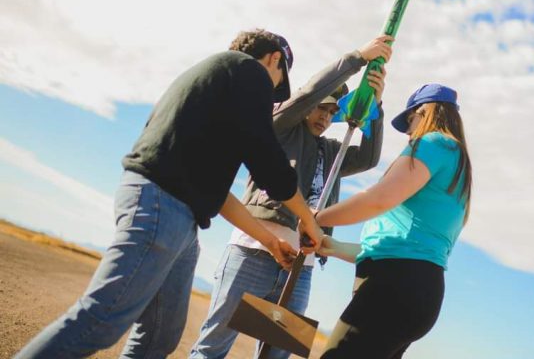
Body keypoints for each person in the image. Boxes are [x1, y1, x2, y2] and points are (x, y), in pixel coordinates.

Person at [16, 29, 324, 359]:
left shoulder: (213, 89)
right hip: (163, 203)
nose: (272, 95)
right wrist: (307, 218)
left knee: (160, 335)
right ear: (274, 58)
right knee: (102, 319)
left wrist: (268, 240)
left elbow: (218, 195)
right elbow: (267, 161)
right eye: (277, 83)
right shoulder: (248, 70)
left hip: (178, 214)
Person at [190, 35, 392, 359]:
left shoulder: (332, 152)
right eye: (321, 107)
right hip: (252, 252)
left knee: (277, 355)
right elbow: (308, 93)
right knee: (213, 347)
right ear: (307, 106)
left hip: (302, 267)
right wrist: (356, 59)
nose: (325, 117)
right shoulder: (280, 126)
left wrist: (376, 108)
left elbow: (368, 157)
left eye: (332, 112)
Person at [314, 83, 472, 359]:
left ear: (424, 112)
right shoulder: (458, 169)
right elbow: (398, 249)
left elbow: (377, 199)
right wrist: (332, 245)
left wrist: (316, 218)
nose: (409, 133)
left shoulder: (434, 143)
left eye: (410, 122)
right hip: (419, 291)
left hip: (392, 288)